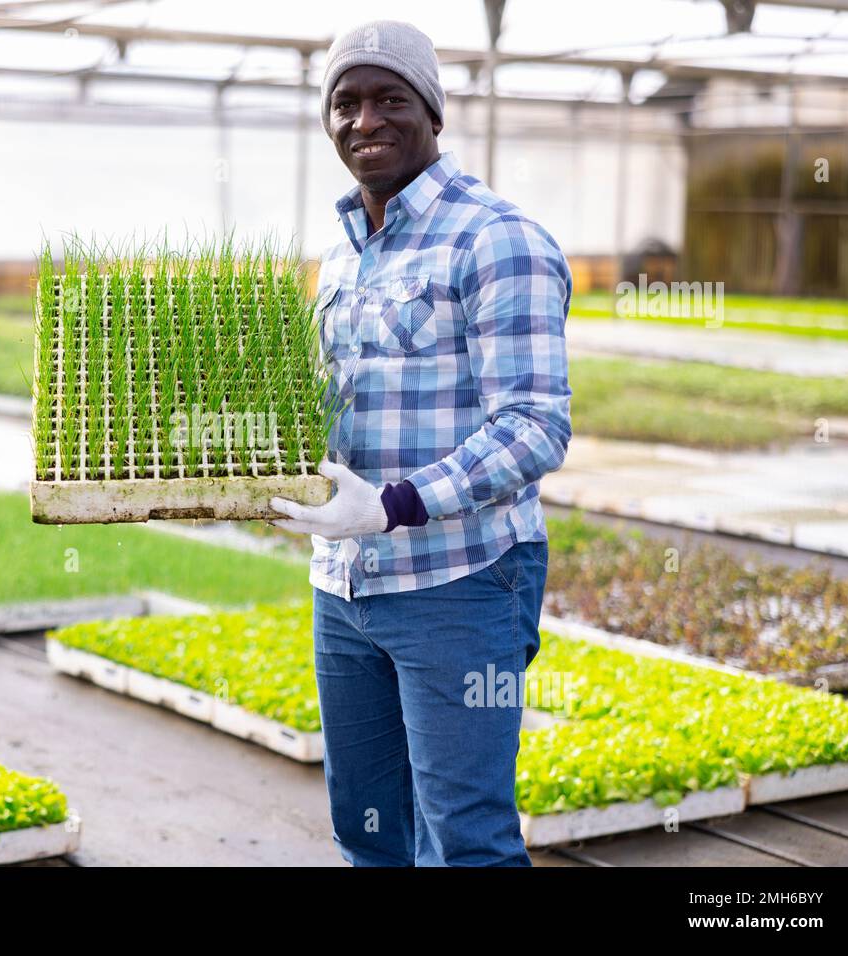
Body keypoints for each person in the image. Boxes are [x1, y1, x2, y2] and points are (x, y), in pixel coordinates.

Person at [268, 18, 573, 867]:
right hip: (344, 588)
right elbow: (335, 407)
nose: (365, 121)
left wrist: (395, 505)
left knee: (465, 840)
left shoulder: (495, 238)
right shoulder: (339, 255)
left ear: (432, 113)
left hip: (460, 583)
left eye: (389, 99)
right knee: (366, 830)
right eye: (345, 103)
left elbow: (535, 427)